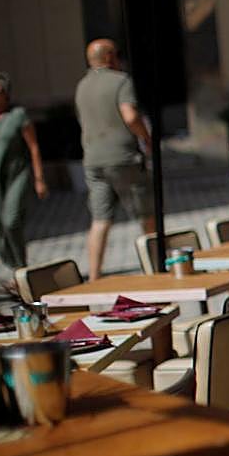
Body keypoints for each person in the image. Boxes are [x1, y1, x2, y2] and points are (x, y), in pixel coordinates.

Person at [74, 39, 154, 280]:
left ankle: (94, 277)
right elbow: (130, 116)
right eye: (117, 54)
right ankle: (156, 267)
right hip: (123, 158)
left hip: (93, 160)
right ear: (109, 57)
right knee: (146, 216)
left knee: (100, 220)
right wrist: (146, 139)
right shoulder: (121, 81)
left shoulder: (82, 86)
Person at [0, 72, 46, 269]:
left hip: (16, 176)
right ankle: (13, 267)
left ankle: (21, 266)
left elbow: (34, 148)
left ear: (5, 94)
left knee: (11, 221)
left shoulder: (18, 116)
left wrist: (39, 179)